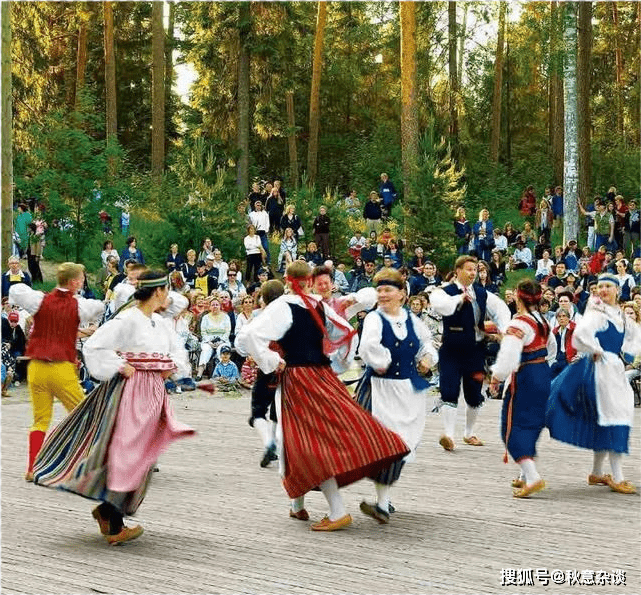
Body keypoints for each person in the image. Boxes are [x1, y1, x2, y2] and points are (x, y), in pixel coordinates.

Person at [235, 261, 409, 531]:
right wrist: (336, 360)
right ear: (309, 280)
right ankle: (298, 504)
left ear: (286, 279)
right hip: (323, 376)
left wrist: (271, 360)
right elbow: (346, 332)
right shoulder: (318, 304)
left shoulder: (283, 306)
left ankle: (336, 510)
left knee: (306, 443)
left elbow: (248, 336)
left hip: (299, 379)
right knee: (309, 440)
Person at [33, 270, 194, 544]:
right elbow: (94, 346)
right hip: (129, 391)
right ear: (156, 292)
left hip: (152, 391)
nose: (168, 296)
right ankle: (112, 521)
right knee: (125, 451)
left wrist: (172, 367)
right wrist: (121, 366)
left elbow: (176, 347)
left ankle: (108, 512)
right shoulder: (128, 318)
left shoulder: (157, 321)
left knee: (139, 454)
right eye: (164, 291)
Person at [546, 273, 641, 494]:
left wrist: (628, 354)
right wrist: (595, 349)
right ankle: (617, 476)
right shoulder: (598, 315)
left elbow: (634, 342)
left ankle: (597, 472)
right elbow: (579, 335)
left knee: (609, 417)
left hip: (613, 369)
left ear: (617, 289)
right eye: (600, 286)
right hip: (599, 370)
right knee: (615, 416)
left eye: (608, 285)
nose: (604, 289)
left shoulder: (621, 317)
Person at [8, 263, 105, 481]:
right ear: (73, 282)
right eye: (80, 279)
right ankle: (80, 465)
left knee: (40, 420)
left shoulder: (40, 300)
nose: (82, 282)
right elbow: (98, 307)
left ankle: (32, 468)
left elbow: (15, 290)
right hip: (61, 367)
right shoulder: (79, 306)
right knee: (84, 417)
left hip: (36, 367)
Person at [356, 268, 437, 522]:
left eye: (388, 290)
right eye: (379, 290)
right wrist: (384, 360)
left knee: (399, 445)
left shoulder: (412, 319)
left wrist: (428, 359)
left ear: (402, 293)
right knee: (375, 443)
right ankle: (324, 485)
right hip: (378, 389)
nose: (382, 294)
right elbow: (367, 346)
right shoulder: (374, 319)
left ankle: (383, 501)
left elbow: (427, 344)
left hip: (406, 392)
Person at [430, 256, 511, 450]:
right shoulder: (444, 292)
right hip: (451, 349)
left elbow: (501, 310)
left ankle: (468, 432)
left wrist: (505, 329)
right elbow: (440, 305)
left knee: (474, 394)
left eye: (475, 269)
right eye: (469, 269)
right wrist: (459, 298)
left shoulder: (482, 294)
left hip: (475, 351)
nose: (473, 273)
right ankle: (448, 435)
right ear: (457, 270)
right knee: (449, 390)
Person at [489, 279, 556, 498]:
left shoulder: (519, 323)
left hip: (525, 376)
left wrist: (496, 377)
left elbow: (508, 357)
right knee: (531, 423)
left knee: (511, 427)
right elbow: (552, 347)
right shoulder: (542, 321)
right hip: (543, 373)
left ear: (518, 297)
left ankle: (532, 476)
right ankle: (525, 475)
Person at [236, 280, 285, 467]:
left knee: (257, 412)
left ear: (263, 298)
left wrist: (251, 353)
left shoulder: (258, 316)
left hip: (267, 369)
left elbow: (241, 342)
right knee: (277, 410)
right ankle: (275, 447)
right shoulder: (289, 315)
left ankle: (268, 443)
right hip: (287, 368)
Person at [195, 296, 232, 381]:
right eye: (213, 305)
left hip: (223, 340)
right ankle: (199, 374)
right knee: (206, 350)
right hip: (208, 341)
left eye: (217, 304)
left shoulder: (226, 317)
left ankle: (223, 374)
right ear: (210, 307)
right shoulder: (205, 318)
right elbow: (203, 331)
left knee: (221, 349)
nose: (215, 306)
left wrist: (221, 341)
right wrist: (209, 342)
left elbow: (227, 331)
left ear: (220, 306)